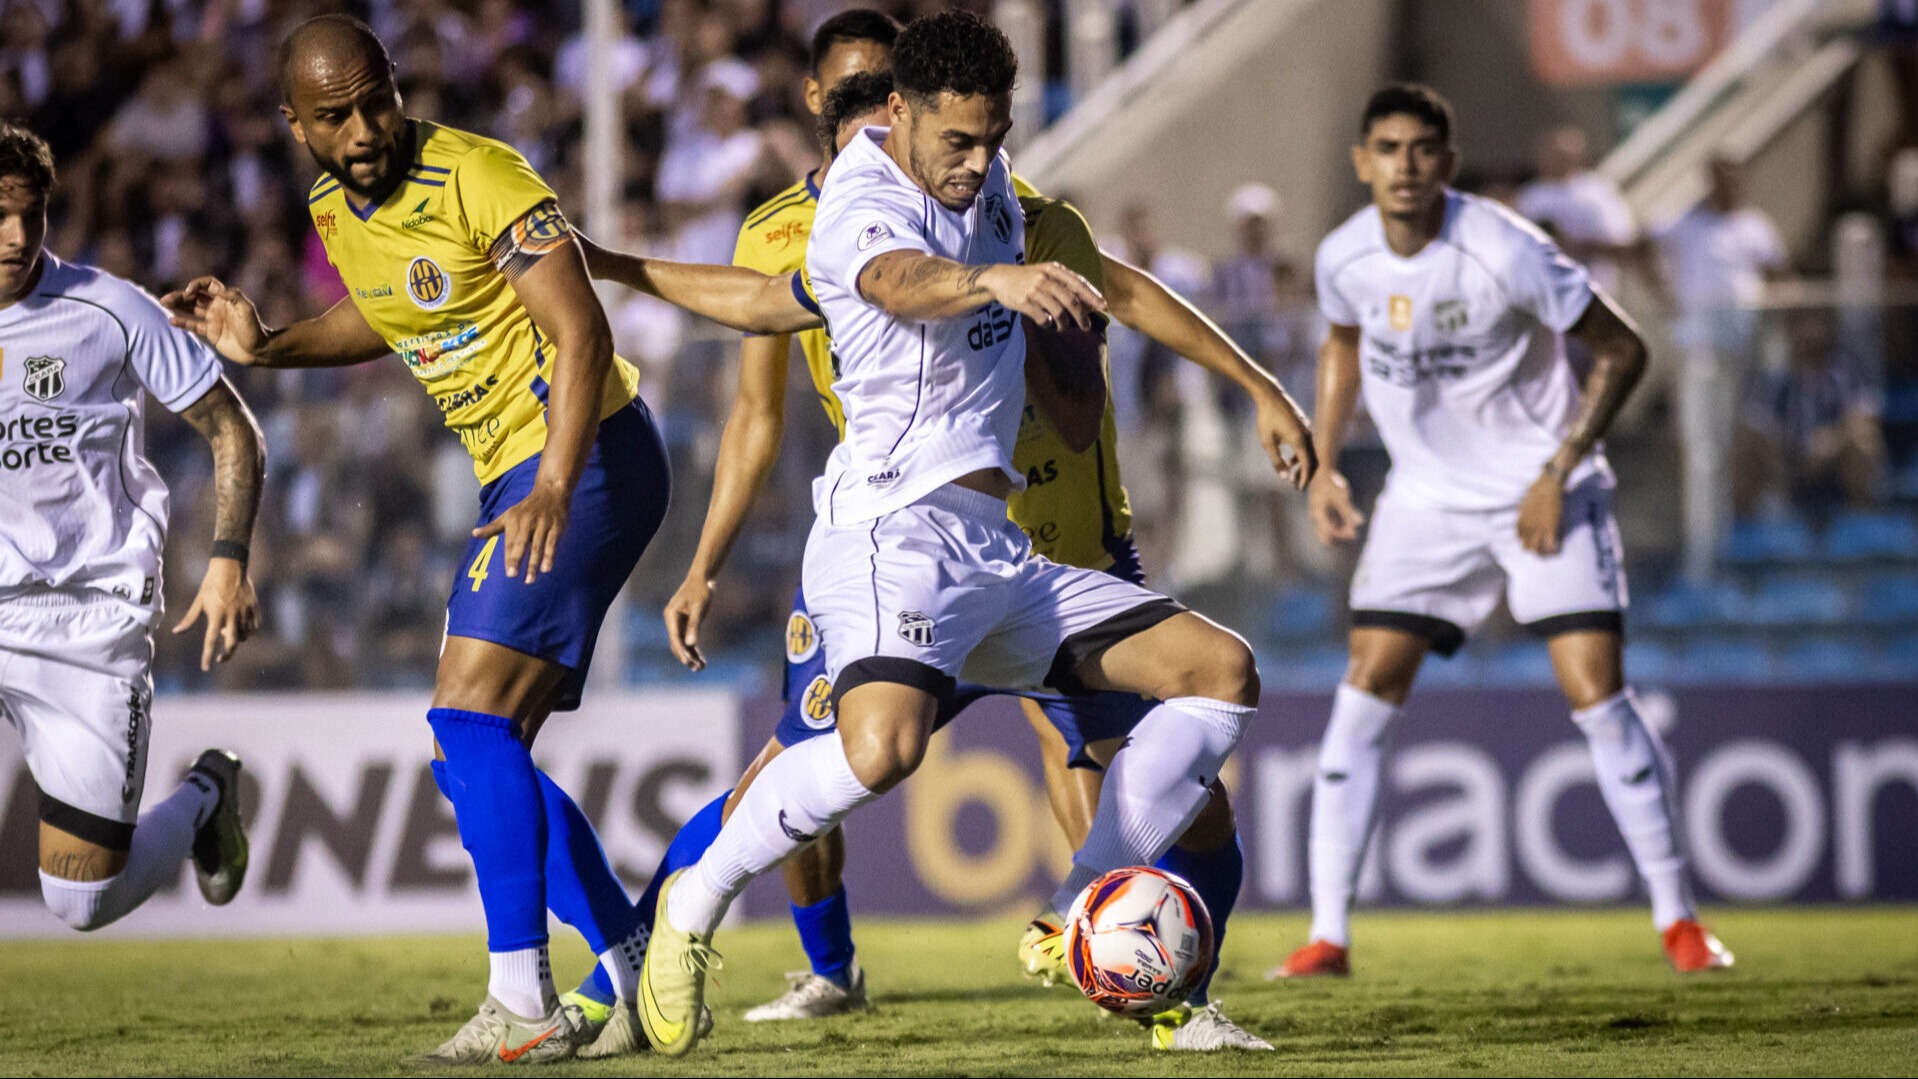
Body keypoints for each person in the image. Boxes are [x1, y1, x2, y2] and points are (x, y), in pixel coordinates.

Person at [620, 11, 1312, 1057]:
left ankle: (1087, 895)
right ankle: (694, 894)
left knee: (1221, 669)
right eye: (959, 140)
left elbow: (773, 305)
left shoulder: (987, 184)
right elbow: (896, 282)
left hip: (998, 550)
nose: (980, 163)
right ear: (895, 113)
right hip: (886, 533)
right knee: (879, 753)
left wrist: (1234, 382)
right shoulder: (858, 197)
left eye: (995, 139)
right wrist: (994, 281)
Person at [159, 16, 670, 1065]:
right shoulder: (329, 208)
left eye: (375, 100)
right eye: (334, 115)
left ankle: (521, 992)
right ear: (293, 123)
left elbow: (582, 330)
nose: (363, 129)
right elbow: (388, 315)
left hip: (584, 456)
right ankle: (634, 962)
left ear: (397, 86)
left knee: (464, 716)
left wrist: (555, 487)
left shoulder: (480, 174)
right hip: (521, 473)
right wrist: (269, 346)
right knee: (473, 751)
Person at [1273, 85, 1732, 980]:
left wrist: (1557, 471)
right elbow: (1340, 343)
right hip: (1426, 503)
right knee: (1361, 692)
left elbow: (1624, 347)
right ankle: (1327, 936)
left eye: (1422, 149)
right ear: (1361, 162)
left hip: (1540, 490)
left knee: (1597, 694)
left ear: (1445, 162)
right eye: (1388, 149)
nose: (1405, 165)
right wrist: (1325, 462)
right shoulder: (1344, 256)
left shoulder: (1504, 249)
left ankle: (1681, 923)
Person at [0, 122, 257, 936]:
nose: (13, 236)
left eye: (29, 215)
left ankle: (205, 795)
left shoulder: (108, 310)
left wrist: (227, 560)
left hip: (88, 620)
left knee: (82, 900)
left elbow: (232, 431)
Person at [1654, 155, 1791, 580]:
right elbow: (1635, 245)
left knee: (1755, 434)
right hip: (1702, 352)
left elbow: (1783, 278)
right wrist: (1665, 297)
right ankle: (1704, 550)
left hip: (1748, 349)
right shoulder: (1684, 225)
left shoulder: (1756, 226)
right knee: (1703, 451)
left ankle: (1764, 528)